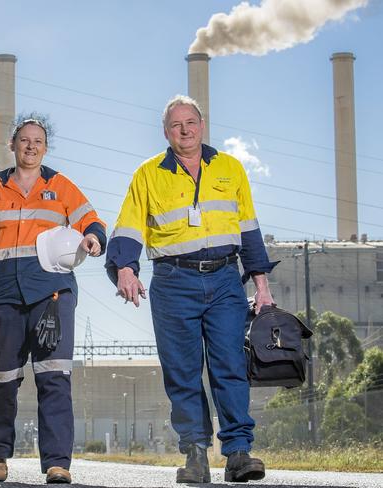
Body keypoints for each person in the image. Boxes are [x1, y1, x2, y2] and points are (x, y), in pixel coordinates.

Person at [105, 95, 276, 484]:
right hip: (172, 280)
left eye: (191, 122)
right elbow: (129, 226)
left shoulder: (230, 169)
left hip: (225, 279)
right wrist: (125, 270)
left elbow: (248, 228)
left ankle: (237, 453)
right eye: (176, 125)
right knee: (182, 372)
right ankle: (196, 454)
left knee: (230, 366)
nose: (185, 130)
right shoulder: (148, 173)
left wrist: (261, 284)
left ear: (202, 124)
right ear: (166, 132)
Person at [0, 115, 106, 484]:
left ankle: (58, 463)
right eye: (23, 140)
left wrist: (93, 239)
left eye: (37, 141)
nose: (30, 146)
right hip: (6, 295)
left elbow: (92, 221)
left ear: (45, 147)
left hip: (52, 294)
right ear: (12, 145)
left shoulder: (60, 186)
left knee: (54, 376)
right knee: (2, 377)